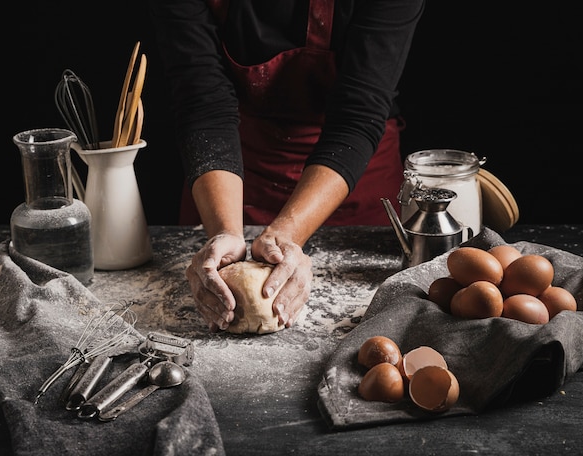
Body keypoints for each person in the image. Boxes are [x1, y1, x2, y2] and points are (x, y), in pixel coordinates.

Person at [150, 0, 424, 332]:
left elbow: (358, 114)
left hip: (350, 168)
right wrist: (225, 231)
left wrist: (285, 234)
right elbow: (203, 104)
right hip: (234, 161)